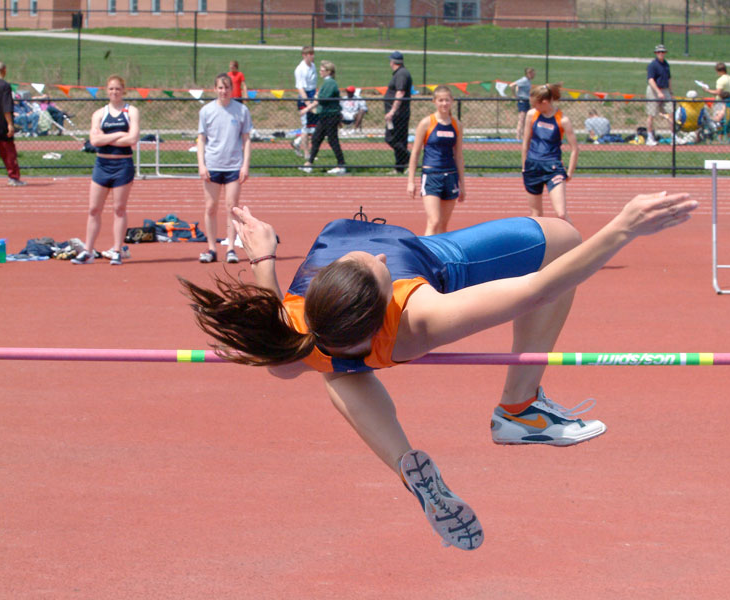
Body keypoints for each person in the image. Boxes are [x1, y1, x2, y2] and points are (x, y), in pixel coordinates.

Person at [180, 190, 698, 550]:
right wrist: (622, 228)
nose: (367, 254)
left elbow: (274, 326)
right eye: (373, 268)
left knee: (337, 372)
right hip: (432, 260)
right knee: (561, 236)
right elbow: (539, 288)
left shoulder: (296, 332)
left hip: (335, 352)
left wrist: (264, 258)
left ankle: (405, 461)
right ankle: (519, 407)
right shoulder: (421, 318)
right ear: (384, 304)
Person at [71, 75, 140, 266]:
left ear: (123, 90)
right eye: (111, 89)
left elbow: (133, 138)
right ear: (106, 91)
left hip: (122, 166)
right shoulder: (99, 114)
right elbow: (94, 141)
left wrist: (107, 137)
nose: (114, 92)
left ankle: (117, 250)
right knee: (94, 209)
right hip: (102, 165)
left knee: (119, 209)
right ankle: (88, 251)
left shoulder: (131, 111)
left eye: (117, 89)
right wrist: (119, 134)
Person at [196, 73, 252, 264]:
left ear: (232, 89)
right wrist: (201, 164)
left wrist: (245, 164)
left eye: (227, 87)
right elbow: (201, 139)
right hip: (212, 165)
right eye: (220, 87)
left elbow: (246, 139)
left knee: (231, 207)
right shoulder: (206, 111)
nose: (224, 91)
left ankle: (230, 248)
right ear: (215, 89)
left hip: (233, 166)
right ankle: (212, 248)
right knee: (210, 207)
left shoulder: (241, 110)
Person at [406, 85, 466, 235]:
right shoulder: (427, 123)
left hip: (450, 175)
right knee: (434, 221)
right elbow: (415, 153)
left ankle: (440, 257)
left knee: (443, 226)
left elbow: (458, 155)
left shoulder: (456, 124)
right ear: (434, 102)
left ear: (452, 101)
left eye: (447, 100)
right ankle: (425, 256)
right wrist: (411, 181)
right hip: (432, 175)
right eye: (440, 100)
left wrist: (462, 184)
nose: (444, 103)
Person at [521, 83, 578, 222]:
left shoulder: (562, 120)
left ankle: (575, 242)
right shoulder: (532, 115)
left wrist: (570, 172)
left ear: (545, 102)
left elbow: (575, 148)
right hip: (533, 167)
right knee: (536, 215)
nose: (534, 107)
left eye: (536, 104)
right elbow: (526, 141)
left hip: (553, 168)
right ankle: (543, 243)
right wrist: (524, 166)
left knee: (561, 214)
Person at [300, 60, 347, 176]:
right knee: (316, 138)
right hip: (325, 116)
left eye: (322, 70)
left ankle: (341, 165)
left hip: (330, 116)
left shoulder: (330, 83)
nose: (320, 72)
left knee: (332, 140)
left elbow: (320, 99)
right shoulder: (326, 83)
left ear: (328, 72)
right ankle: (309, 163)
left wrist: (307, 109)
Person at [384, 51, 413, 174]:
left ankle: (411, 160)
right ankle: (400, 167)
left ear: (392, 62)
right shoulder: (400, 73)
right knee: (400, 140)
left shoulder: (401, 74)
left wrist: (392, 111)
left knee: (390, 138)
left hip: (398, 113)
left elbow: (400, 93)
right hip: (397, 113)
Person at [0, 61, 24, 186]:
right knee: (8, 152)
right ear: (4, 70)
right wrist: (10, 124)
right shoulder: (5, 86)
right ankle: (13, 177)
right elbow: (6, 107)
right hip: (2, 124)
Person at [645, 44, 673, 146]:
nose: (661, 54)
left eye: (662, 52)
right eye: (658, 52)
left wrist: (671, 92)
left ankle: (673, 136)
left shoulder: (666, 64)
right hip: (654, 90)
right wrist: (658, 92)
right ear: (656, 53)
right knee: (651, 114)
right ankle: (649, 137)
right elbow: (651, 80)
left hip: (665, 89)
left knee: (671, 113)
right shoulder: (652, 65)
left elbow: (669, 78)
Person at [293, 46, 317, 162]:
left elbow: (314, 83)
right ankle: (307, 154)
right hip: (305, 97)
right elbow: (300, 88)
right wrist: (308, 103)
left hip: (312, 95)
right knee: (306, 128)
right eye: (309, 54)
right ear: (304, 55)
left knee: (314, 127)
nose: (312, 56)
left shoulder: (313, 66)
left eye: (313, 54)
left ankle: (297, 142)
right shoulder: (300, 69)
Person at [510, 67, 535, 140]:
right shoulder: (524, 80)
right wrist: (514, 95)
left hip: (527, 101)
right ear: (529, 73)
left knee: (526, 120)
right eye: (532, 73)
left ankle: (524, 136)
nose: (534, 75)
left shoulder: (528, 81)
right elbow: (512, 85)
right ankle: (518, 137)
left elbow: (518, 87)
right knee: (521, 119)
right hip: (522, 101)